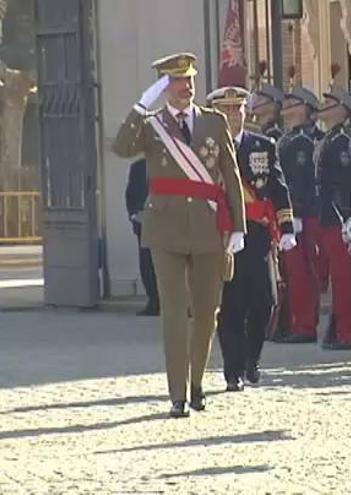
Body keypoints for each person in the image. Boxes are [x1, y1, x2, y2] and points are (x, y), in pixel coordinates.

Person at [112, 53, 246, 418]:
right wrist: (142, 105)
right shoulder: (152, 126)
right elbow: (121, 148)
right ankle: (177, 394)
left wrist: (238, 226)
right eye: (176, 81)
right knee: (173, 312)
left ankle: (198, 381)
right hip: (166, 230)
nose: (186, 87)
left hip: (207, 226)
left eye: (189, 80)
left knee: (206, 311)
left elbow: (230, 175)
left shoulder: (214, 122)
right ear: (163, 87)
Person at [209, 86, 299, 392]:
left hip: (257, 234)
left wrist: (287, 229)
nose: (234, 116)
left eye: (239, 110)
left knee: (265, 301)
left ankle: (252, 359)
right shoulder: (207, 148)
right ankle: (232, 370)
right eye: (227, 111)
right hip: (221, 235)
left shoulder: (262, 145)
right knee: (231, 305)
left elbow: (277, 186)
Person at [315, 86, 351, 350]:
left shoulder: (341, 142)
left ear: (341, 109)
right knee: (340, 278)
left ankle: (350, 331)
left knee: (346, 278)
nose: (323, 104)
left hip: (340, 216)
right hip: (329, 215)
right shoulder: (331, 138)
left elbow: (346, 182)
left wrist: (344, 216)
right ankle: (343, 329)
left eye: (329, 101)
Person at [275, 87, 326, 344]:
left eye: (292, 101)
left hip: (304, 214)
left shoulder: (306, 141)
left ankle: (305, 325)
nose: (286, 104)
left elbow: (303, 181)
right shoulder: (288, 138)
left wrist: (294, 210)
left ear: (305, 108)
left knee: (303, 271)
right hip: (290, 214)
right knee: (291, 273)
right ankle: (296, 322)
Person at [125, 158, 160, 316]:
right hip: (143, 224)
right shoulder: (137, 167)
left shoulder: (170, 163)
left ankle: (179, 304)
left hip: (167, 223)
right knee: (146, 265)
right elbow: (130, 193)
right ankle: (153, 302)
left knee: (171, 265)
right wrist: (133, 214)